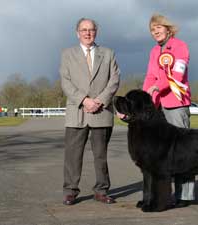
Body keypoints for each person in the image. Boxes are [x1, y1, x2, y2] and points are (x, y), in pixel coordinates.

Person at [60, 17, 120, 205]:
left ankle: (101, 190)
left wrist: (100, 101)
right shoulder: (67, 54)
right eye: (84, 29)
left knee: (100, 155)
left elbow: (114, 80)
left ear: (96, 32)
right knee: (72, 155)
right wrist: (84, 100)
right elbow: (65, 82)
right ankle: (70, 191)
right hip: (76, 113)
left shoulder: (108, 54)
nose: (88, 33)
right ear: (77, 33)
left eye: (91, 29)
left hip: (101, 113)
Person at [143, 13, 195, 208]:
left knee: (183, 150)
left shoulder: (180, 46)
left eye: (158, 27)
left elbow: (177, 75)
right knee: (163, 154)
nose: (155, 31)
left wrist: (159, 86)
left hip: (177, 103)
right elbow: (150, 76)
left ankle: (185, 195)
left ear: (168, 28)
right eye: (152, 29)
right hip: (158, 106)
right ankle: (165, 194)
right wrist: (145, 98)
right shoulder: (154, 51)